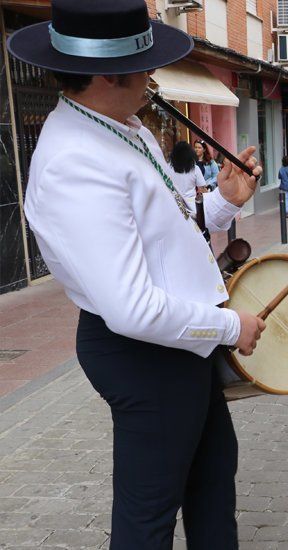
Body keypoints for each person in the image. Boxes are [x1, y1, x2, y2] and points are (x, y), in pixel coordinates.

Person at [7, 1, 265, 546]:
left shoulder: (123, 126)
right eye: (145, 64)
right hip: (145, 354)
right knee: (148, 518)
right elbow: (131, 308)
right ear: (107, 71)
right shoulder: (75, 162)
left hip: (180, 341)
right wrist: (229, 327)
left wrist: (222, 203)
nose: (153, 76)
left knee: (213, 484)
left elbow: (164, 233)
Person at [169, 141, 207, 214]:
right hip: (191, 205)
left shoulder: (169, 167)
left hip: (175, 205)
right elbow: (202, 189)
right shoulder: (195, 168)